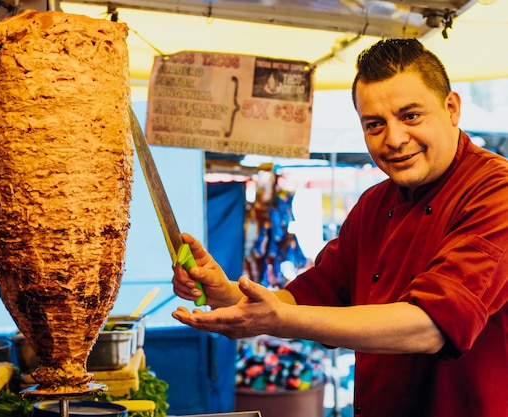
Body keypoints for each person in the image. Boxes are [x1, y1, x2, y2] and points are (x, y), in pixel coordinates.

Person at [171, 38, 508, 417]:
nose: (394, 139)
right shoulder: (373, 205)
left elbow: (432, 325)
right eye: (375, 124)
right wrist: (229, 295)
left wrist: (281, 319)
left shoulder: (495, 190)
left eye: (411, 116)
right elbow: (311, 297)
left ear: (451, 108)